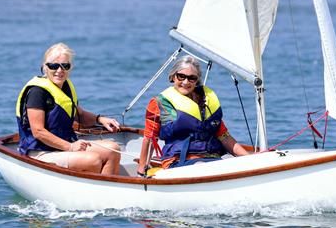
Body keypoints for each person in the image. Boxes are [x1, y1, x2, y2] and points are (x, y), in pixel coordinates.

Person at [16, 42, 122, 175]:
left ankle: (107, 192)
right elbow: (38, 131)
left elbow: (79, 115)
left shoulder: (65, 87)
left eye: (65, 66)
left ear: (70, 68)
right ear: (45, 67)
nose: (60, 70)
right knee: (93, 160)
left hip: (65, 145)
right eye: (54, 66)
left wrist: (100, 119)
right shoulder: (37, 92)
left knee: (113, 149)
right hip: (41, 152)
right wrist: (70, 147)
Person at [138, 55, 250, 176]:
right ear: (173, 77)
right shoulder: (160, 103)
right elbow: (149, 139)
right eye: (181, 76)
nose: (185, 82)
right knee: (202, 168)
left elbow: (224, 136)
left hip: (211, 158)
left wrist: (251, 160)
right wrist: (141, 171)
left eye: (192, 78)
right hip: (178, 161)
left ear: (197, 80)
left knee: (233, 166)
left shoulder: (207, 101)